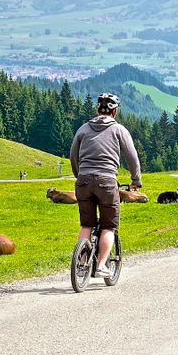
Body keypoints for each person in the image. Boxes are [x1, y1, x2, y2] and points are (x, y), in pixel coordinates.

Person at [70, 92, 142, 278]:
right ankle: (102, 265)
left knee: (87, 224)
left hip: (84, 180)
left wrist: (80, 176)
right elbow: (132, 157)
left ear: (97, 109)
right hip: (107, 182)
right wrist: (136, 180)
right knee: (109, 226)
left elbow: (73, 155)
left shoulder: (83, 129)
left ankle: (82, 261)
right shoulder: (119, 130)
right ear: (115, 111)